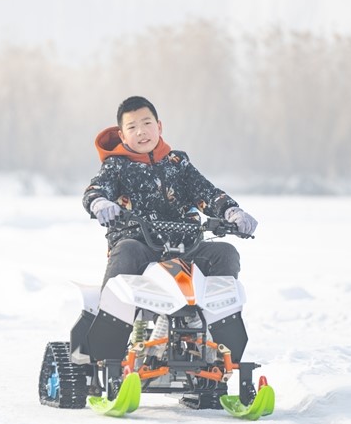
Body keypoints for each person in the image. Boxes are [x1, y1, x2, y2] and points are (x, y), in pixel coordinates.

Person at [83, 96, 258, 287]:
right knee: (127, 249)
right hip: (141, 248)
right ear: (123, 136)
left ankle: (215, 314)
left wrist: (231, 211)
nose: (141, 131)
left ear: (159, 126)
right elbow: (98, 188)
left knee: (225, 253)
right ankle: (114, 312)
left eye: (146, 123)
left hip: (186, 248)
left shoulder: (178, 163)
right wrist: (99, 202)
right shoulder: (116, 166)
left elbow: (206, 192)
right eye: (132, 127)